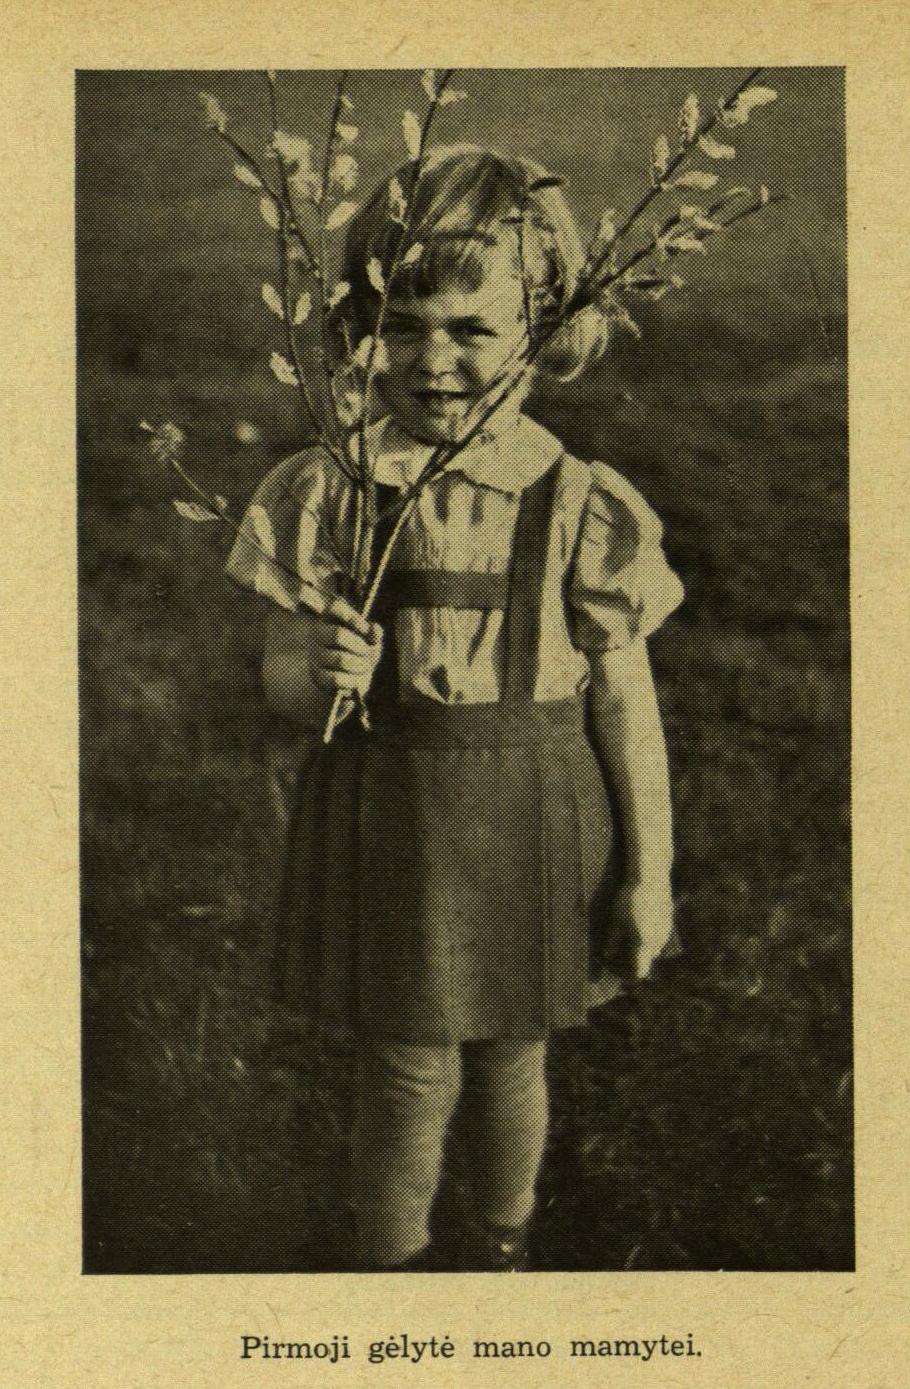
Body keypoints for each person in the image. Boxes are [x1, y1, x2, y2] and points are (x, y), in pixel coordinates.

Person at [225, 145, 684, 1272]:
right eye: (404, 326)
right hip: (396, 816)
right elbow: (280, 684)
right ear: (358, 328)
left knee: (513, 1054)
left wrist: (651, 872)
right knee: (407, 1066)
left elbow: (626, 702)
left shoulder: (578, 504)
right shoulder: (331, 490)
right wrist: (318, 668)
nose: (434, 362)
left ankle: (500, 1240)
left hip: (532, 816)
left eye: (472, 330)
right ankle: (391, 1268)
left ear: (543, 329)